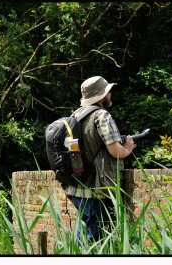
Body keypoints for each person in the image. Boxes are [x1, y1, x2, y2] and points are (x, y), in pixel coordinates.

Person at [64, 75, 136, 243]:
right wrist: (128, 148)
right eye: (108, 91)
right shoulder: (102, 115)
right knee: (99, 241)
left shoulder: (74, 116)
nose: (110, 94)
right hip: (98, 191)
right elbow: (116, 152)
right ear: (102, 95)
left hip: (76, 188)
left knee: (83, 238)